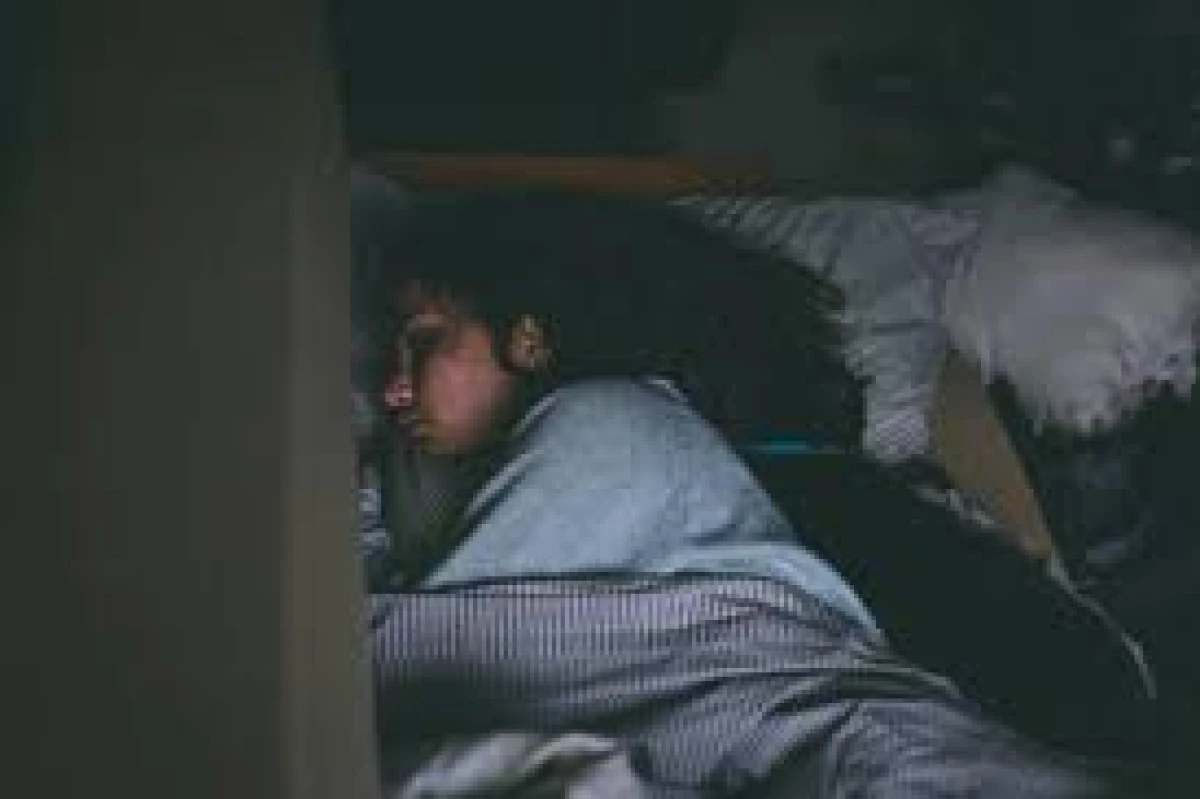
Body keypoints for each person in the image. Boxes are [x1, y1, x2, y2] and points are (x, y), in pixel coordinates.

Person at [369, 191, 1152, 796]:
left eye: (424, 339)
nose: (392, 388)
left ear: (529, 336)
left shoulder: (625, 430)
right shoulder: (796, 470)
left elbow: (423, 664)